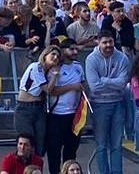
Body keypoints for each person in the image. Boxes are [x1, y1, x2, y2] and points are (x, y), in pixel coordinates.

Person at [86, 34, 133, 174]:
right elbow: (94, 86)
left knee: (117, 145)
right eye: (105, 42)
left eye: (110, 42)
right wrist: (114, 82)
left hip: (118, 103)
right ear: (98, 42)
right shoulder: (91, 59)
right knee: (101, 145)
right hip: (99, 105)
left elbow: (123, 83)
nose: (108, 45)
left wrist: (104, 80)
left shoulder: (122, 58)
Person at [43, 46, 87, 174]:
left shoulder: (78, 66)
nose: (75, 52)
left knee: (71, 150)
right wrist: (72, 86)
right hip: (57, 115)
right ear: (63, 51)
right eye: (71, 49)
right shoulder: (54, 68)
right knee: (54, 151)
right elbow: (52, 91)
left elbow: (82, 86)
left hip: (74, 115)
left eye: (76, 49)